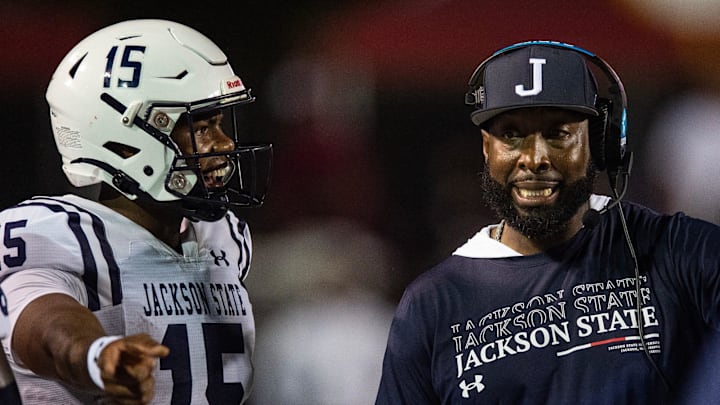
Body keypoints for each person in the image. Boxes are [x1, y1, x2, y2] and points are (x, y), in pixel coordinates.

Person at [375, 41, 720, 404]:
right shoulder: (432, 306)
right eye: (511, 134)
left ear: (600, 143)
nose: (534, 158)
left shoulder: (677, 251)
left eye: (557, 134)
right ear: (485, 147)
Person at [0, 19, 272, 404]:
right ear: (127, 141)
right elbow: (44, 325)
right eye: (201, 127)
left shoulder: (220, 238)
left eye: (220, 123)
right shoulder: (64, 236)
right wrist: (95, 356)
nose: (225, 144)